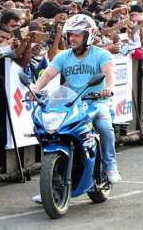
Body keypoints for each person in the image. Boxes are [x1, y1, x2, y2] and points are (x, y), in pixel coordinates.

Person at [31, 14, 121, 182]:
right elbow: (49, 74)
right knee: (49, 131)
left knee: (104, 127)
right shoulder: (63, 56)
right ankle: (52, 182)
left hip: (96, 102)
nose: (72, 38)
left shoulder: (102, 55)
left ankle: (110, 165)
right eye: (70, 34)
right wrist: (35, 88)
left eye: (77, 34)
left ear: (89, 35)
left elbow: (109, 74)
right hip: (71, 104)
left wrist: (108, 89)